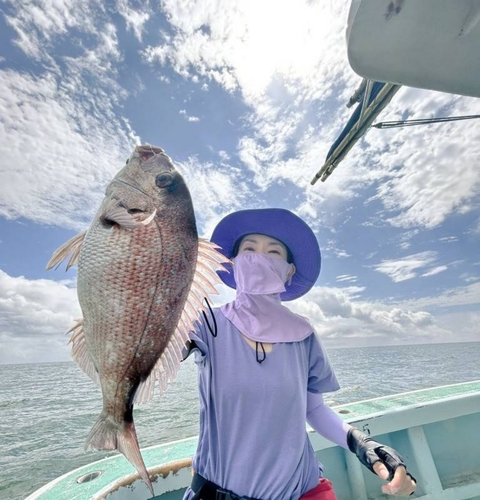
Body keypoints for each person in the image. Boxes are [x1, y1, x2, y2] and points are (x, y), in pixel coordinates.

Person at [182, 208, 416, 500]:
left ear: (289, 270)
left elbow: (314, 409)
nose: (260, 257)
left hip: (304, 491)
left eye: (274, 251)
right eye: (249, 249)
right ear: (233, 263)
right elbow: (155, 352)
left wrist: (364, 445)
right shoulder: (205, 323)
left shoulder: (303, 334)